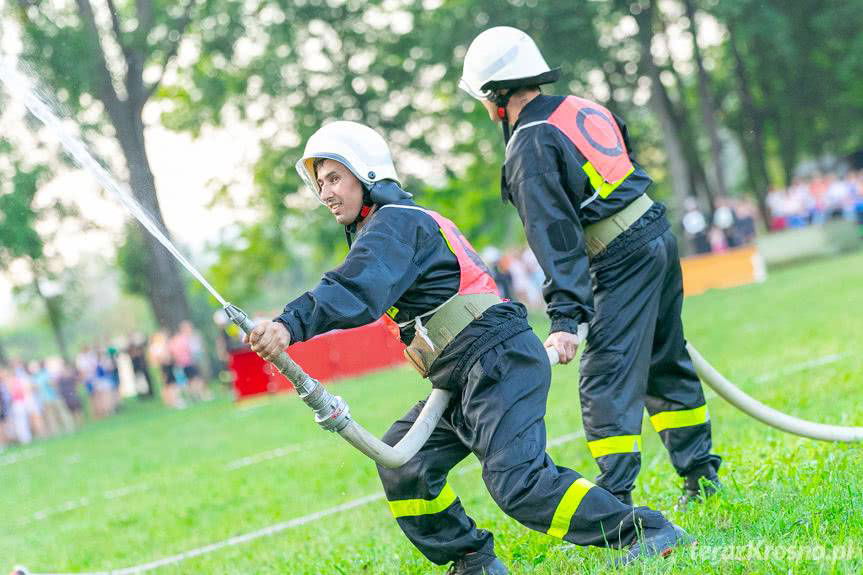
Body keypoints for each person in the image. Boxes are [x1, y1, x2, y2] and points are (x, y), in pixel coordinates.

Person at [244, 121, 687, 574]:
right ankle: (473, 560)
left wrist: (287, 324)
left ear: (367, 173)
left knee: (519, 484)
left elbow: (354, 289)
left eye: (334, 178)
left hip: (496, 361)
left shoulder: (396, 222)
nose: (325, 193)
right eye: (320, 184)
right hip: (464, 370)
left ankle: (645, 531)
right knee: (404, 463)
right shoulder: (393, 224)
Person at [459, 26, 721, 507]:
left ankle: (615, 500)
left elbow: (555, 236)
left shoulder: (529, 143)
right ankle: (701, 476)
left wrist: (565, 318)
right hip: (654, 233)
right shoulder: (580, 107)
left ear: (495, 96)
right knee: (664, 360)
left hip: (621, 255)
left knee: (606, 374)